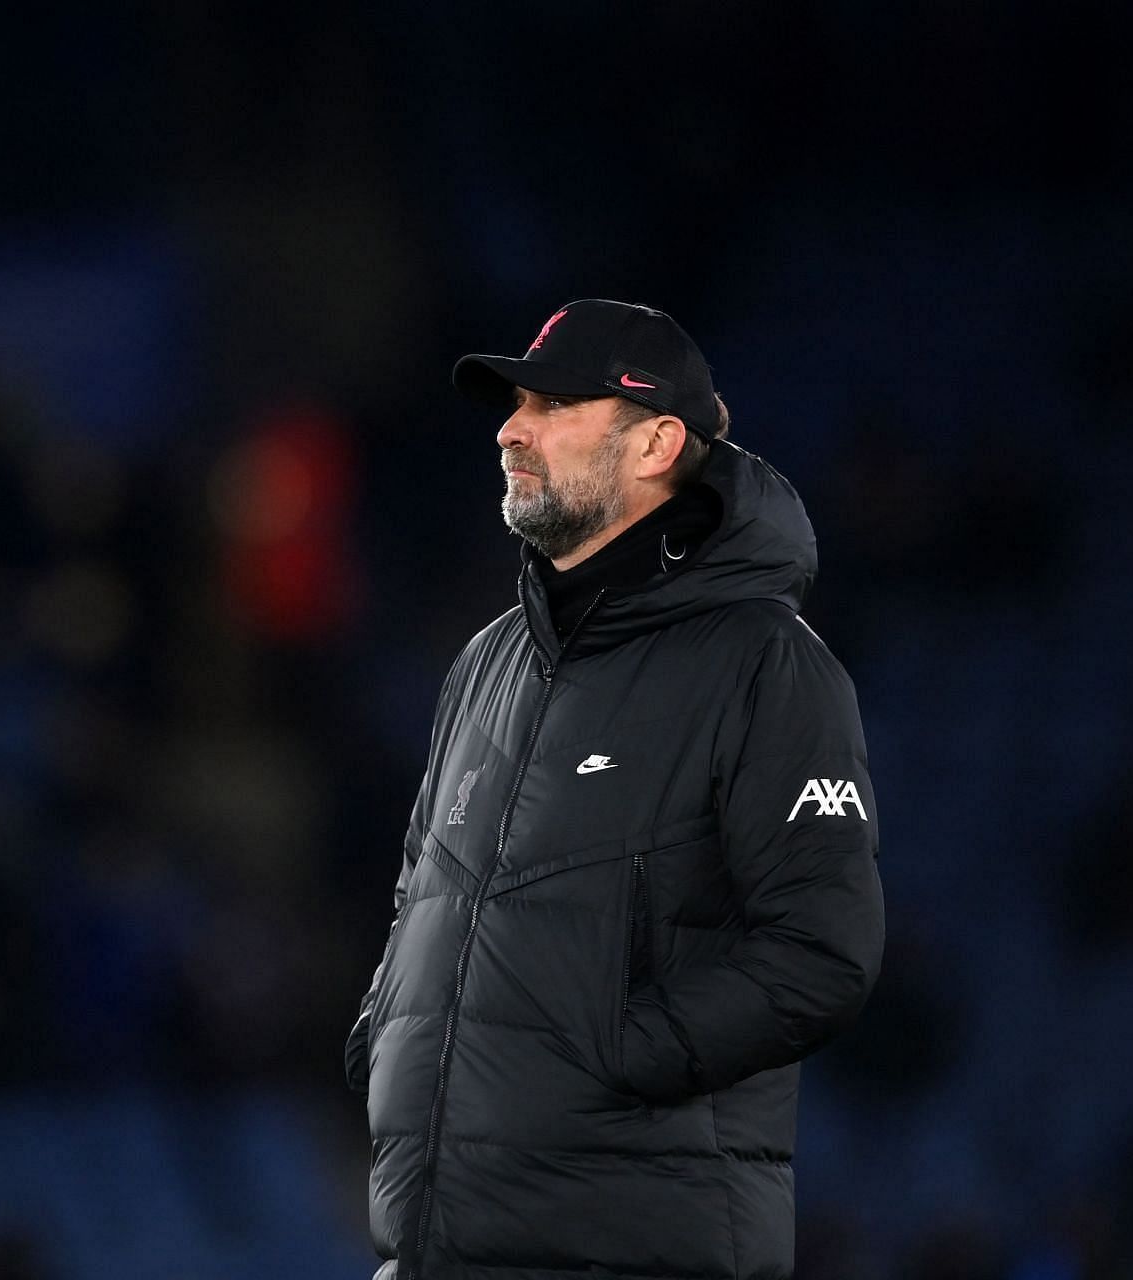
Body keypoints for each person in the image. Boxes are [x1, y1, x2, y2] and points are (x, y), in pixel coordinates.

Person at [345, 299, 885, 1280]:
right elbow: (422, 893)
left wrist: (610, 1059)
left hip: (633, 1251)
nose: (512, 428)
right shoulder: (489, 659)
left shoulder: (762, 662)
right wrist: (390, 1041)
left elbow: (821, 951)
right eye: (515, 403)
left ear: (658, 443)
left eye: (555, 404)